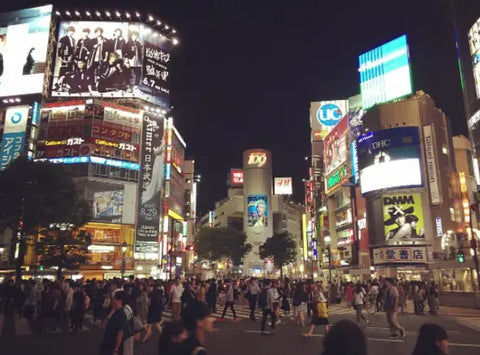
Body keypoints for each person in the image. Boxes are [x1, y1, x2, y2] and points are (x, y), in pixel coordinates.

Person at [99, 291, 129, 355]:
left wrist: (116, 349)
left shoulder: (121, 315)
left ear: (119, 301)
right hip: (107, 342)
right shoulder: (114, 312)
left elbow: (120, 334)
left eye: (114, 299)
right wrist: (112, 311)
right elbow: (104, 325)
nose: (112, 301)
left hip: (112, 345)